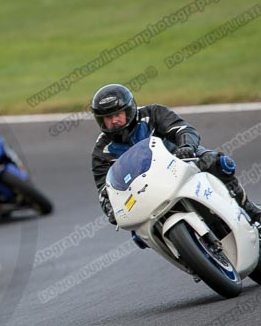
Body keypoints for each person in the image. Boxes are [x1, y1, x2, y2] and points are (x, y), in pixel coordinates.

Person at [90, 83, 261, 226]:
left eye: (117, 114)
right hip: (143, 194)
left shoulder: (153, 114)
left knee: (217, 163)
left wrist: (186, 146)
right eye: (108, 117)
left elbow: (183, 129)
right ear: (101, 120)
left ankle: (249, 209)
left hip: (178, 165)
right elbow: (105, 188)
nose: (114, 121)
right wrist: (110, 208)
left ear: (128, 110)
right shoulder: (102, 151)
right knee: (136, 234)